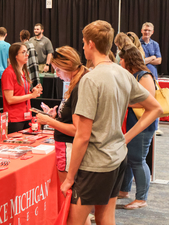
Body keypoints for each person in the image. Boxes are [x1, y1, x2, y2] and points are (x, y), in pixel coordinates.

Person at [60, 20, 162, 225]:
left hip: (96, 164)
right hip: (117, 158)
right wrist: (126, 138)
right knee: (105, 217)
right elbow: (155, 108)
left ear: (90, 44)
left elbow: (83, 135)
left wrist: (69, 178)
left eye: (82, 42)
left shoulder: (91, 79)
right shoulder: (122, 73)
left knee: (74, 221)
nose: (82, 46)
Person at [36, 46, 92, 225]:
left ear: (68, 65)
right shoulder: (76, 82)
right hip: (67, 148)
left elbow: (78, 130)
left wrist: (49, 121)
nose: (57, 74)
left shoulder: (80, 86)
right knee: (77, 205)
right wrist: (56, 115)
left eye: (59, 70)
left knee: (71, 202)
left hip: (68, 149)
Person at [118, 45, 156, 209]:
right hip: (134, 123)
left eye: (122, 59)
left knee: (138, 160)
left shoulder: (144, 76)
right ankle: (125, 190)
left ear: (129, 60)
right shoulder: (134, 75)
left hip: (143, 124)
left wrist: (125, 103)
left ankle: (141, 198)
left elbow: (149, 102)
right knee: (129, 159)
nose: (120, 62)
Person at [1, 42, 42, 134]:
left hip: (27, 116)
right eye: (23, 52)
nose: (27, 54)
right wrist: (31, 95)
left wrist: (33, 90)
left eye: (27, 52)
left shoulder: (24, 72)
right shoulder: (9, 73)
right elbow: (10, 99)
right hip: (15, 119)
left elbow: (22, 92)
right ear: (15, 55)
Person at [140, 22, 163, 136]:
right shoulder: (138, 44)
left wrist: (147, 59)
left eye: (149, 30)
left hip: (154, 77)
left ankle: (156, 127)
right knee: (142, 101)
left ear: (152, 32)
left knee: (155, 102)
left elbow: (159, 61)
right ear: (141, 31)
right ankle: (143, 124)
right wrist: (152, 57)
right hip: (141, 78)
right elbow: (139, 61)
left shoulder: (155, 44)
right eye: (145, 30)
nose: (147, 32)